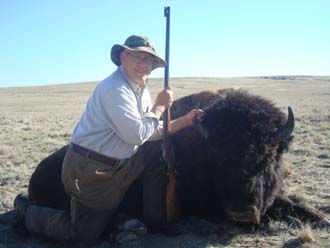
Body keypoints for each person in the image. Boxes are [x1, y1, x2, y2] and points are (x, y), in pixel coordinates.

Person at [13, 35, 203, 246]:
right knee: (82, 236)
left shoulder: (141, 91)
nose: (143, 65)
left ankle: (154, 221)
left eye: (148, 60)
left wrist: (185, 121)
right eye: (137, 57)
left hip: (123, 162)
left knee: (153, 153)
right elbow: (137, 134)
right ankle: (27, 212)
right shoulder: (114, 89)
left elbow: (151, 131)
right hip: (92, 169)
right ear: (123, 57)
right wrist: (160, 107)